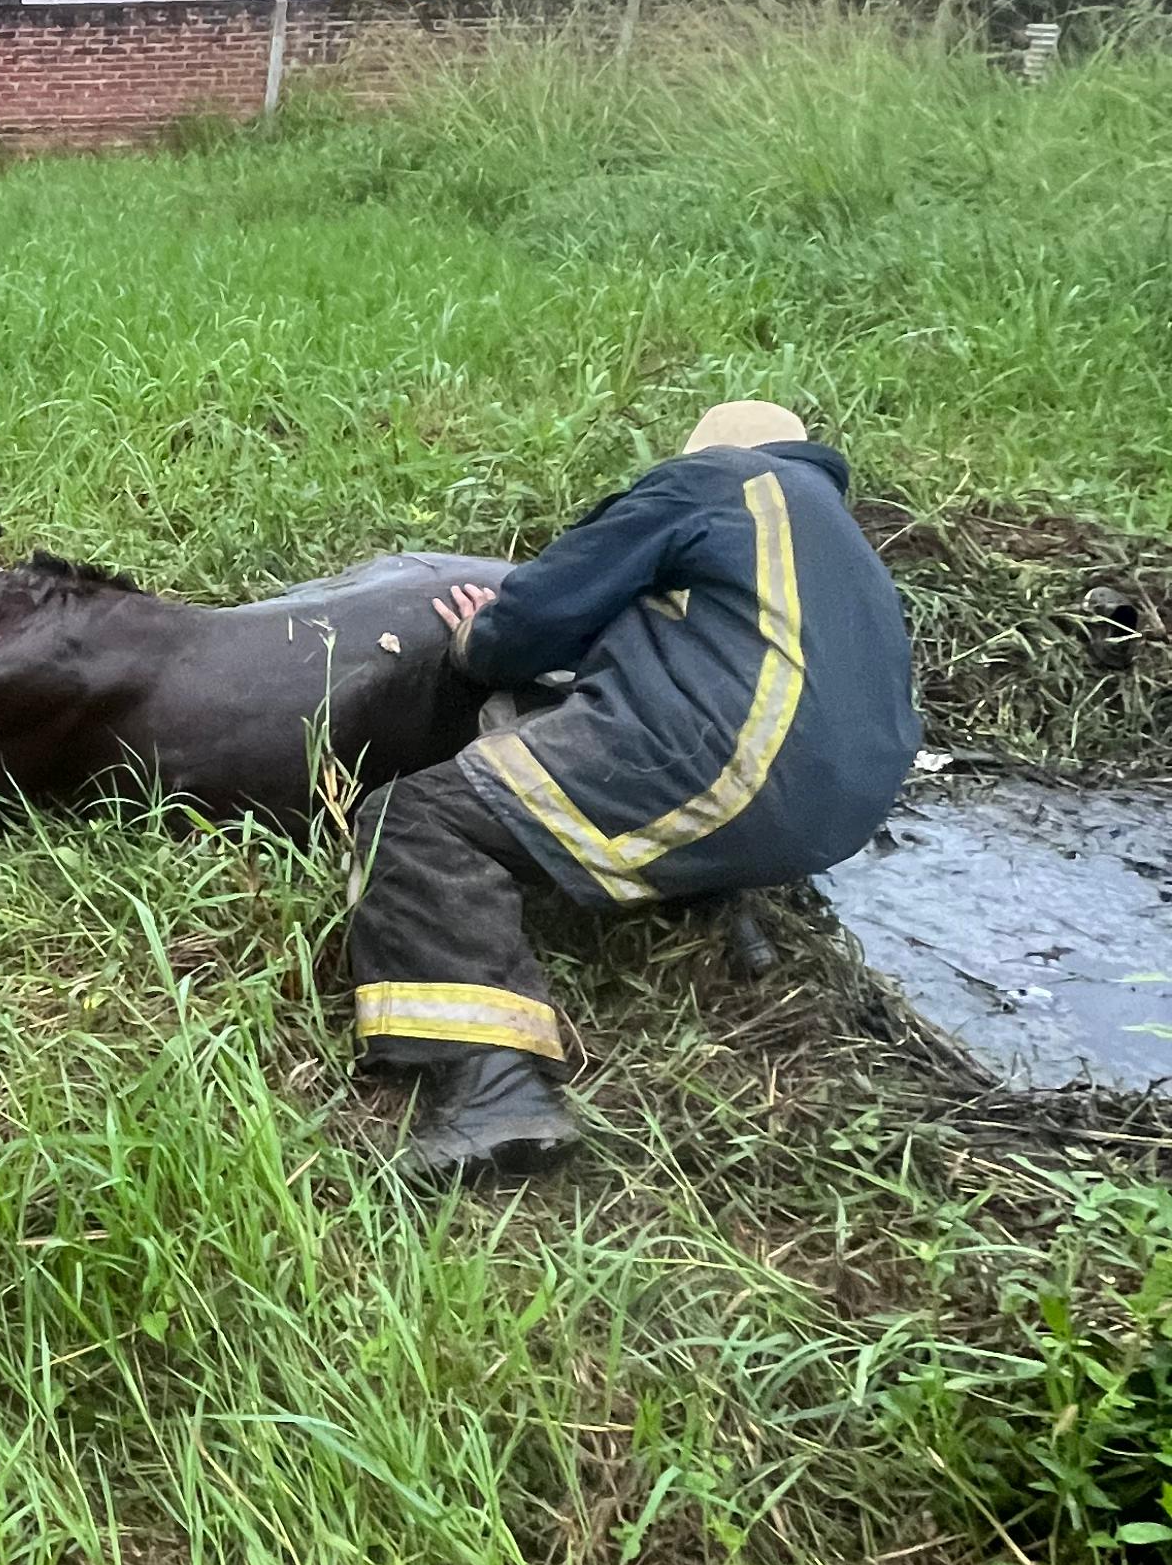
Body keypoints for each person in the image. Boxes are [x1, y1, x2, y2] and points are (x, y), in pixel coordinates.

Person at [347, 401, 921, 1177]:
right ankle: (719, 899)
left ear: (702, 453)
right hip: (841, 813)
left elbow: (543, 609)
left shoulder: (720, 480)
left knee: (413, 819)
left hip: (739, 764)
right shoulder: (838, 538)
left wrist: (475, 637)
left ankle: (494, 1088)